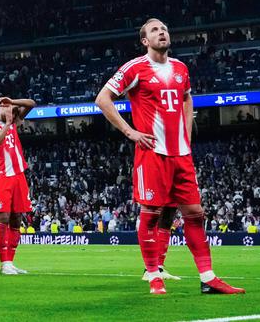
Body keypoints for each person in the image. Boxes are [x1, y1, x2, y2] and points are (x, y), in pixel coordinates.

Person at [95, 18, 245, 295]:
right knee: (150, 214)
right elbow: (103, 98)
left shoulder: (180, 68)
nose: (162, 32)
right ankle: (153, 276)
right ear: (144, 41)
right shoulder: (134, 67)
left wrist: (186, 134)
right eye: (154, 30)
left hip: (181, 155)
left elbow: (187, 99)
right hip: (153, 153)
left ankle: (208, 278)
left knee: (195, 214)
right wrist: (130, 132)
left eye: (164, 28)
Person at [0, 94, 37, 275]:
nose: (12, 112)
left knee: (17, 219)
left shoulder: (14, 119)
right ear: (0, 108)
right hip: (1, 175)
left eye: (12, 109)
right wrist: (7, 124)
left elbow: (31, 104)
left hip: (18, 175)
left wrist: (13, 102)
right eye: (7, 109)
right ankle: (4, 262)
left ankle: (11, 262)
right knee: (3, 217)